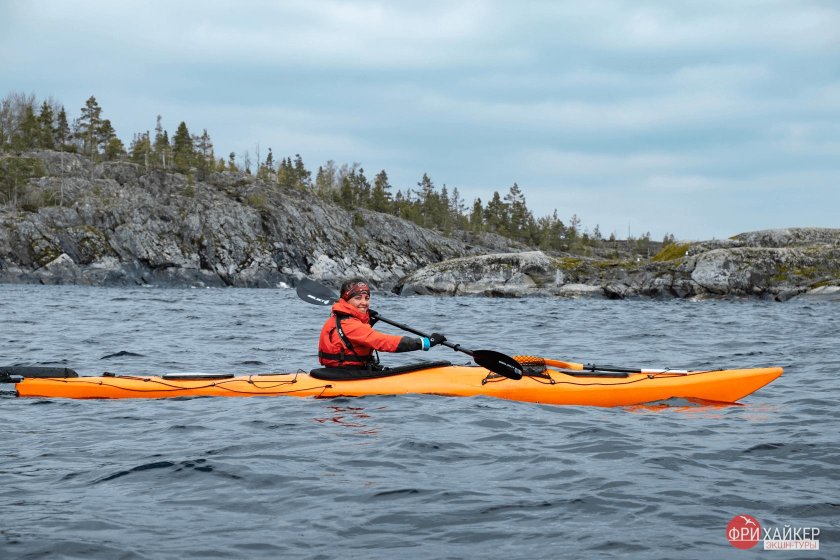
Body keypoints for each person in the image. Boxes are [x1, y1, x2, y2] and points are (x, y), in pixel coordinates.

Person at [318, 278, 446, 368]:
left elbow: (356, 339)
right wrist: (424, 342)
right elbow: (383, 342)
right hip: (347, 374)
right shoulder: (350, 325)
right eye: (358, 298)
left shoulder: (338, 317)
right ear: (346, 300)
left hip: (344, 369)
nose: (364, 302)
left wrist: (367, 320)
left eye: (367, 298)